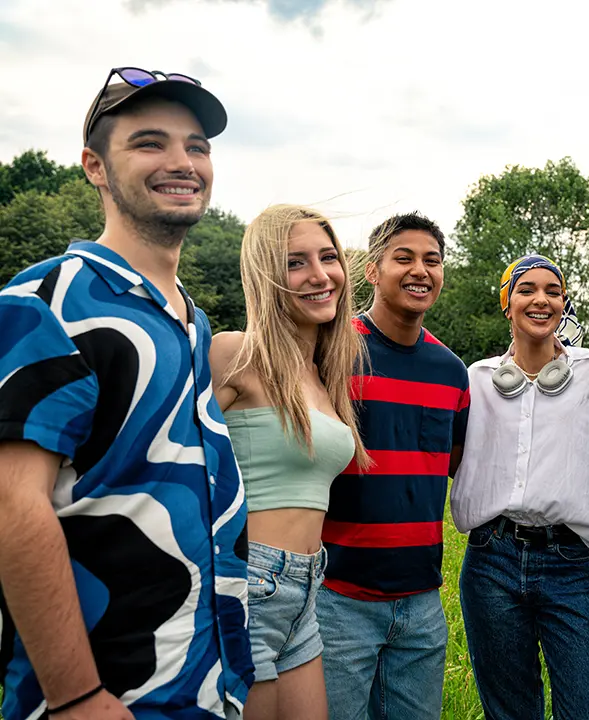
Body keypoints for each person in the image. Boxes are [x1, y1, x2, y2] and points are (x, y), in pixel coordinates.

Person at [0, 67, 251, 720]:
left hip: (206, 685)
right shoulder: (47, 302)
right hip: (105, 700)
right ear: (95, 166)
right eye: (150, 142)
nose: (182, 162)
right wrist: (76, 694)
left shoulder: (189, 320)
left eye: (197, 146)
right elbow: (9, 505)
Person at [450, 254, 589, 720]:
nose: (541, 299)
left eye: (553, 291)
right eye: (527, 290)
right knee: (510, 711)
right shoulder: (477, 381)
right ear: (507, 303)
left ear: (564, 304)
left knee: (587, 709)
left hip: (570, 563)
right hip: (490, 562)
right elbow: (455, 458)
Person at [209, 204, 370, 720]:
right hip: (249, 581)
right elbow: (169, 457)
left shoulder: (323, 377)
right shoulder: (236, 354)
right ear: (265, 275)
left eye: (328, 257)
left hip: (306, 587)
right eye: (295, 263)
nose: (320, 275)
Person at [318, 212, 470, 720]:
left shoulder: (452, 373)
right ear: (372, 270)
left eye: (432, 260)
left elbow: (454, 462)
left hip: (422, 604)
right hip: (338, 599)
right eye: (403, 257)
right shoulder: (332, 352)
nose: (419, 270)